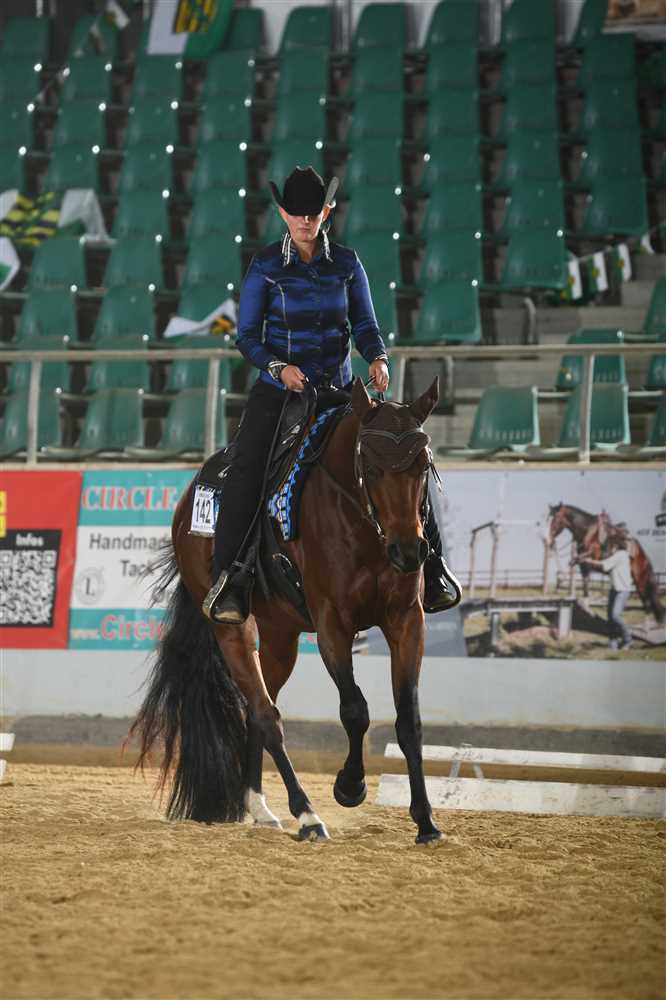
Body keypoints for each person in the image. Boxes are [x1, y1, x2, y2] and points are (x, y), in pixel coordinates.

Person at [202, 165, 461, 624]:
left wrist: (377, 357)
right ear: (283, 213)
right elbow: (247, 336)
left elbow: (364, 323)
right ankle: (232, 580)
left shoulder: (346, 263)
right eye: (296, 212)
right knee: (246, 470)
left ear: (327, 211)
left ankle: (435, 568)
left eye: (313, 212)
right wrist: (279, 368)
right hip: (279, 393)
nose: (305, 220)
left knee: (405, 456)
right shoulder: (265, 265)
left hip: (341, 393)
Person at [578, 539, 633, 650]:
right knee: (611, 618)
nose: (609, 549)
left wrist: (589, 561)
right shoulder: (618, 556)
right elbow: (606, 566)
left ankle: (627, 638)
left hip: (622, 590)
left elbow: (604, 564)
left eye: (610, 547)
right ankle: (613, 643)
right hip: (614, 589)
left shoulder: (621, 554)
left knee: (615, 615)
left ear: (616, 546)